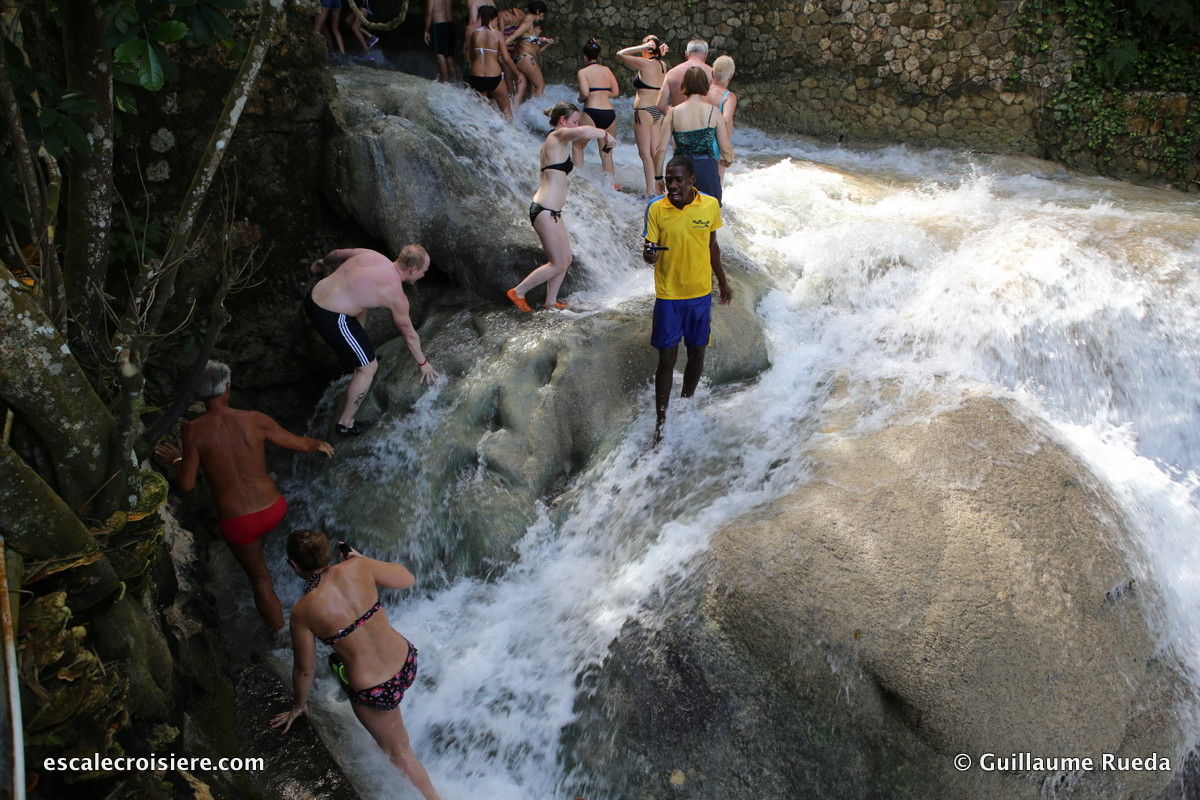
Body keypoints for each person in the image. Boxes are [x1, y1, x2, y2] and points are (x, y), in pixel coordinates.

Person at [155, 362, 334, 631]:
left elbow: (187, 484)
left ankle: (281, 636)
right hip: (274, 508)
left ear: (197, 395)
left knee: (260, 579)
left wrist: (178, 459)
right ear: (228, 388)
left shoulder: (193, 430)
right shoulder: (255, 419)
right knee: (304, 554)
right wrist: (318, 444)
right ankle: (331, 610)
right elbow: (298, 443)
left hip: (239, 524)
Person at [272, 530, 442, 800]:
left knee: (398, 751)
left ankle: (433, 798)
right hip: (406, 661)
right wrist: (363, 560)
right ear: (327, 553)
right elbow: (407, 578)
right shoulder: (359, 567)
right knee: (346, 660)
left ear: (294, 565)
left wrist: (298, 706)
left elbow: (304, 669)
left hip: (374, 689)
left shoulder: (302, 612)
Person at [642, 155, 732, 442]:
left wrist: (723, 281)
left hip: (699, 294)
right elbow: (649, 250)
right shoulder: (656, 208)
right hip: (669, 295)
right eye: (669, 180)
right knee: (667, 358)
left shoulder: (709, 204)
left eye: (679, 179)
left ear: (692, 179)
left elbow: (712, 246)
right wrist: (649, 255)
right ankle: (660, 424)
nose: (673, 185)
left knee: (697, 353)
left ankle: (685, 405)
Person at [305, 245, 438, 436]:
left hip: (312, 297)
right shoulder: (395, 294)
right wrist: (423, 363)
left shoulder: (372, 255)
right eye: (423, 271)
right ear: (412, 270)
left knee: (362, 306)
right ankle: (346, 424)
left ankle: (357, 355)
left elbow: (337, 254)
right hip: (330, 317)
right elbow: (408, 335)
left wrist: (322, 263)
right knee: (369, 367)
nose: (423, 276)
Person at [506, 102, 615, 312]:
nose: (577, 125)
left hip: (551, 211)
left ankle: (550, 301)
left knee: (565, 259)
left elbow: (580, 133)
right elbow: (583, 131)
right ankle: (518, 292)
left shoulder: (559, 142)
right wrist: (605, 134)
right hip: (544, 210)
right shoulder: (555, 137)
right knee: (556, 262)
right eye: (574, 121)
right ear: (563, 121)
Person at [655, 67, 733, 203]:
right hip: (706, 169)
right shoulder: (713, 112)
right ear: (705, 85)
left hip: (680, 171)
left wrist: (658, 177)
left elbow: (660, 150)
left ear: (685, 85)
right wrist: (728, 159)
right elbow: (725, 147)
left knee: (681, 213)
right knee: (708, 214)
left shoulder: (672, 113)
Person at [617, 35, 671, 197]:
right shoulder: (662, 64)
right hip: (657, 112)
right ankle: (659, 189)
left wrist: (641, 48)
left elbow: (621, 54)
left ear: (647, 48)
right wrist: (655, 51)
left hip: (643, 111)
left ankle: (649, 193)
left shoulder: (645, 64)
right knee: (654, 153)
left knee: (645, 154)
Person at [573, 37, 620, 189]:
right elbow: (616, 92)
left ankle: (578, 180)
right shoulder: (607, 70)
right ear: (598, 57)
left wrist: (581, 98)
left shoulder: (583, 72)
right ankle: (609, 186)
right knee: (606, 151)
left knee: (578, 146)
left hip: (591, 112)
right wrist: (603, 94)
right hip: (609, 113)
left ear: (585, 57)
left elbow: (585, 93)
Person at [467, 5, 515, 119]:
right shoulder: (498, 34)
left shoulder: (474, 34)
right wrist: (518, 73)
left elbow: (471, 56)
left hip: (477, 77)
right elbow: (506, 58)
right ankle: (509, 134)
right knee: (507, 113)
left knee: (481, 112)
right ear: (495, 18)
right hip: (494, 77)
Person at [503, 1, 553, 109]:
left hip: (521, 58)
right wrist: (501, 47)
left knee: (523, 88)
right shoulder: (529, 19)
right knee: (540, 85)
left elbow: (526, 39)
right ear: (538, 11)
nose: (541, 19)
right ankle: (534, 111)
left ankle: (514, 113)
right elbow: (515, 35)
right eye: (542, 15)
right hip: (525, 58)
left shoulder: (529, 23)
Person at [655, 38, 713, 111]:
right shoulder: (712, 74)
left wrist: (673, 114)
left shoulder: (672, 73)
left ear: (686, 54)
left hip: (679, 120)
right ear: (705, 55)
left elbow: (660, 105)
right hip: (703, 120)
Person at [706, 55, 738, 181]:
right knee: (715, 189)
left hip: (694, 143)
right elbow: (726, 121)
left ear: (712, 73)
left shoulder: (700, 91)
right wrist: (726, 151)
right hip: (715, 146)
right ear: (730, 77)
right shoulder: (728, 97)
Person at [424, 0, 459, 82]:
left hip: (439, 26)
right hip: (450, 25)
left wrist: (426, 30)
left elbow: (429, 13)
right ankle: (456, 81)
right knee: (449, 56)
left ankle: (445, 83)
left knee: (440, 56)